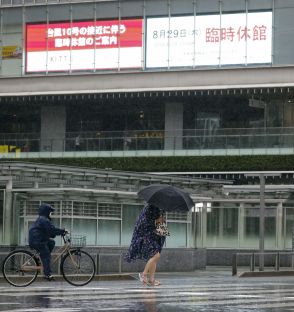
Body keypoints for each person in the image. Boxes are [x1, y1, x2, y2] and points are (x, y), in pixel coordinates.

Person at [125, 203, 166, 286]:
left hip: (153, 236)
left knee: (154, 257)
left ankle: (151, 280)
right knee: (156, 256)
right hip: (145, 236)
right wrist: (156, 221)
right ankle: (143, 274)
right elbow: (144, 222)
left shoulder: (159, 209)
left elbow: (160, 225)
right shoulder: (149, 208)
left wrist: (160, 221)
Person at [29, 203, 67, 281]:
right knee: (46, 256)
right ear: (46, 211)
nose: (50, 214)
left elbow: (49, 231)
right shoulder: (44, 219)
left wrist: (58, 232)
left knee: (51, 242)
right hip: (38, 240)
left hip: (39, 239)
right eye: (50, 212)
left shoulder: (43, 219)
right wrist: (62, 231)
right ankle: (47, 274)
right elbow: (52, 230)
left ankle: (43, 258)